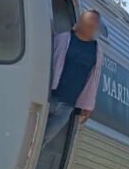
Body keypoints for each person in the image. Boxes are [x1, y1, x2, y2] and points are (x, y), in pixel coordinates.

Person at [45, 10, 105, 145]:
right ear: (80, 23)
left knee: (44, 139)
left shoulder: (97, 51)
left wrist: (88, 106)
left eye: (95, 23)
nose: (93, 25)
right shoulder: (62, 39)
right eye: (90, 20)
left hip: (67, 105)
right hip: (49, 95)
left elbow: (93, 80)